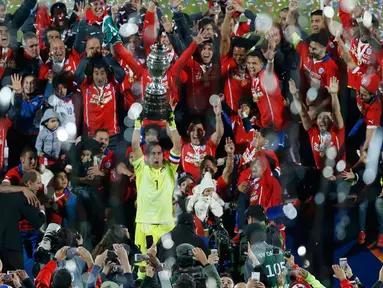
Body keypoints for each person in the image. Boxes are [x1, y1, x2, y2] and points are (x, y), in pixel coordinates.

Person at [132, 111, 182, 253]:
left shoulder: (170, 168)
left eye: (159, 153)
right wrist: (137, 125)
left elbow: (177, 146)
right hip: (144, 223)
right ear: (147, 156)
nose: (156, 156)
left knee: (167, 264)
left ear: (162, 155)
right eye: (153, 153)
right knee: (142, 268)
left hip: (166, 225)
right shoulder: (141, 168)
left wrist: (171, 123)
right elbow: (135, 146)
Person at [0, 170, 45, 271]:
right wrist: (42, 211)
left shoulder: (8, 193)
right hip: (10, 243)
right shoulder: (27, 196)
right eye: (38, 183)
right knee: (18, 275)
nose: (40, 186)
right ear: (29, 183)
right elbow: (37, 223)